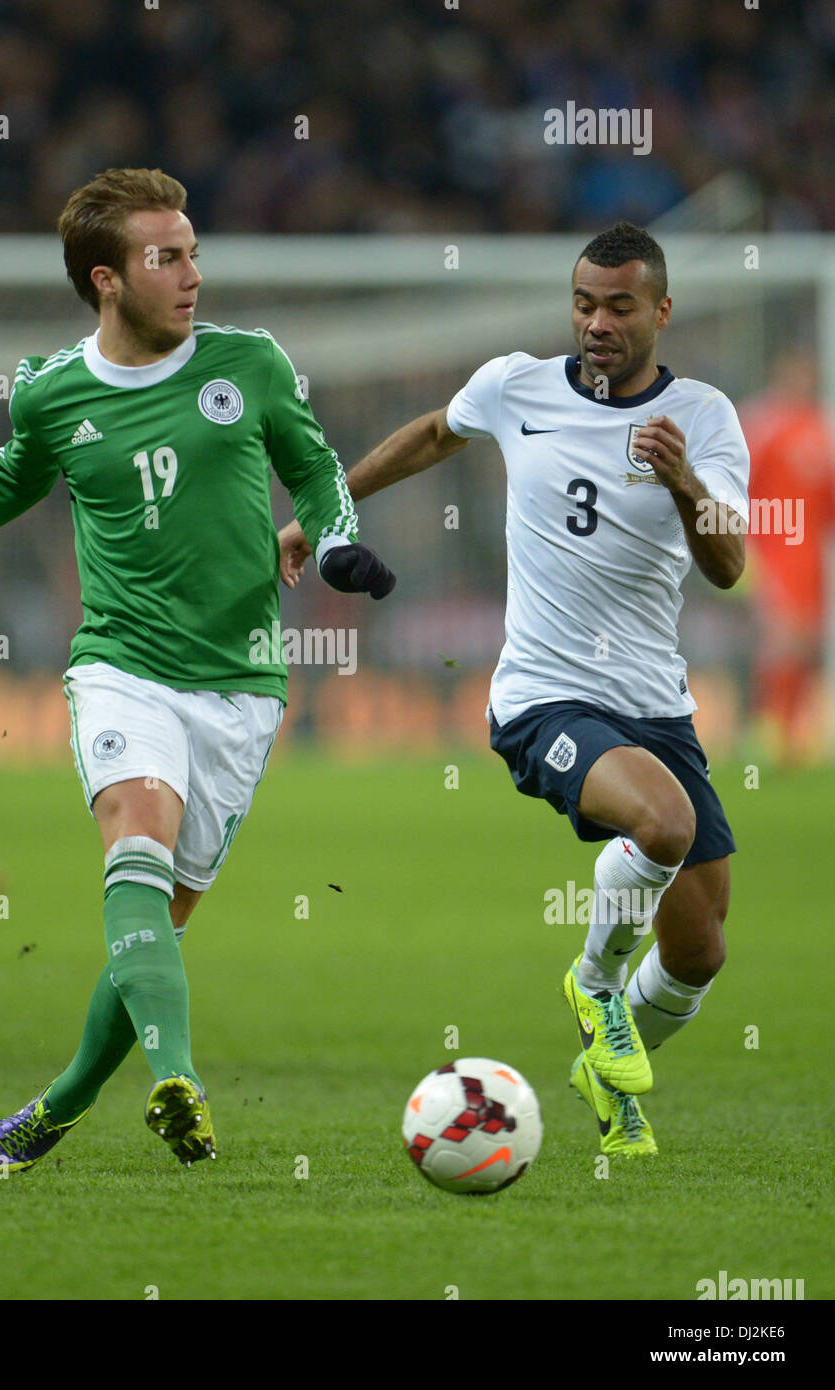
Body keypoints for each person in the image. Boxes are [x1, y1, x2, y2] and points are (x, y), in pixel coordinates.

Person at [0, 167, 395, 1172]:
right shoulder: (52, 392)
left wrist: (337, 537)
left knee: (159, 926)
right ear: (106, 278)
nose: (191, 275)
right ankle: (177, 1080)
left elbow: (312, 466)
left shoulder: (250, 364)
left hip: (241, 686)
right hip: (121, 666)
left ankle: (50, 1111)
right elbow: (6, 484)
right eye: (165, 257)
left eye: (192, 252)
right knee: (133, 843)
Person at [280, 221, 749, 1157]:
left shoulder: (702, 416)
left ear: (661, 310)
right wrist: (321, 518)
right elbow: (427, 435)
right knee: (661, 826)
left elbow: (729, 561)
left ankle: (600, 1068)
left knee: (699, 955)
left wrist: (684, 478)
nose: (597, 323)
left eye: (619, 306)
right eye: (584, 304)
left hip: (657, 706)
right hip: (544, 697)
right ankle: (594, 985)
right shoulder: (514, 385)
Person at [738, 346, 835, 766]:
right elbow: (735, 484)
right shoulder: (763, 425)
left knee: (805, 645)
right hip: (772, 549)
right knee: (782, 640)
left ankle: (793, 735)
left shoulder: (821, 430)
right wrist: (741, 546)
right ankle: (767, 733)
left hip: (811, 559)